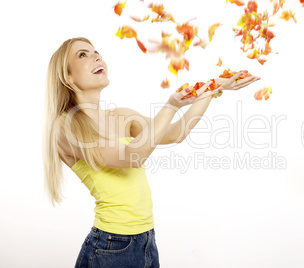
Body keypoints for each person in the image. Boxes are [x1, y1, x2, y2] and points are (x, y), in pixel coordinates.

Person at [42, 37, 259, 268]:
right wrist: (171, 106)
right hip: (110, 248)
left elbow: (176, 132)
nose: (97, 56)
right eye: (83, 55)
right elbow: (133, 156)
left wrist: (215, 86)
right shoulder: (66, 127)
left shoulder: (122, 116)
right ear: (68, 76)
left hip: (146, 242)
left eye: (97, 51)